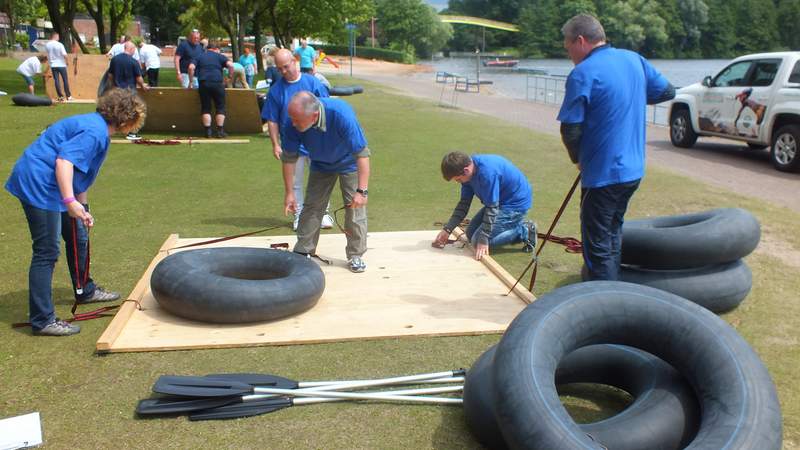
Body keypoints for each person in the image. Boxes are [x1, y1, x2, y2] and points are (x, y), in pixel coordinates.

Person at [5, 88, 147, 336]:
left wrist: (82, 207)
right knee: (46, 252)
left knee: (78, 235)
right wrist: (70, 202)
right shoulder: (94, 132)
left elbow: (81, 174)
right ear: (125, 119)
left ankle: (85, 290)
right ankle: (42, 319)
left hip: (56, 185)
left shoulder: (96, 127)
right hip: (40, 184)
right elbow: (64, 163)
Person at [557, 14, 675, 281]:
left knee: (598, 244)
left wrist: (578, 159)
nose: (569, 55)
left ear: (581, 40)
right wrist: (627, 97)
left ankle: (604, 304)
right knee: (612, 233)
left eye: (568, 48)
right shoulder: (634, 59)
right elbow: (667, 92)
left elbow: (570, 129)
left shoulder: (583, 73)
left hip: (602, 175)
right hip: (632, 171)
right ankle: (610, 290)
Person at [282, 92, 371, 273]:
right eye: (292, 118)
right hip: (321, 163)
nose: (293, 123)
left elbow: (362, 154)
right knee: (312, 206)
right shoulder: (294, 120)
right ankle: (303, 251)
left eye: (297, 120)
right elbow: (288, 159)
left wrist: (362, 191)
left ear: (314, 116)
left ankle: (356, 255)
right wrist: (289, 192)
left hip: (349, 162)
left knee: (354, 209)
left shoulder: (341, 114)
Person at [262, 48, 333, 231]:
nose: (284, 71)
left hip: (317, 141)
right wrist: (275, 144)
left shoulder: (312, 83)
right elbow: (272, 119)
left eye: (286, 66)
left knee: (321, 178)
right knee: (295, 182)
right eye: (280, 69)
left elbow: (326, 108)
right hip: (292, 143)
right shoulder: (276, 90)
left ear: (294, 61)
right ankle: (298, 214)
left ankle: (323, 212)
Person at [433, 152, 536, 261]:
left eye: (458, 179)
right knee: (470, 233)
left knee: (477, 241)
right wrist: (448, 229)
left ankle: (524, 231)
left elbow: (492, 208)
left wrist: (483, 239)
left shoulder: (487, 174)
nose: (458, 182)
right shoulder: (468, 172)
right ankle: (512, 229)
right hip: (498, 201)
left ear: (466, 171)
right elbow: (464, 203)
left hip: (514, 205)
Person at [189, 41, 235, 138]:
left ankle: (208, 131)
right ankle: (220, 131)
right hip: (217, 83)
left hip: (204, 83)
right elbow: (231, 65)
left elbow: (191, 67)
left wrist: (191, 81)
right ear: (216, 49)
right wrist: (230, 77)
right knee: (220, 107)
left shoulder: (200, 56)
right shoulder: (220, 56)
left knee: (206, 107)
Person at [107, 42, 148, 140]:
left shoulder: (115, 59)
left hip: (117, 90)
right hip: (130, 91)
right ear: (132, 49)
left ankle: (110, 131)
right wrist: (143, 85)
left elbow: (110, 76)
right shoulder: (133, 61)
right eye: (134, 49)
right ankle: (132, 133)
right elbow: (139, 78)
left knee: (116, 112)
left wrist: (113, 86)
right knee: (133, 113)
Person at [45, 32, 72, 101]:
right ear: (55, 36)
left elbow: (48, 55)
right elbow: (64, 54)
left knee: (56, 80)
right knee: (65, 80)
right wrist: (67, 61)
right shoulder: (60, 44)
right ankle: (68, 96)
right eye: (58, 37)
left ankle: (60, 96)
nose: (59, 38)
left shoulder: (47, 45)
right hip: (61, 64)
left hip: (53, 65)